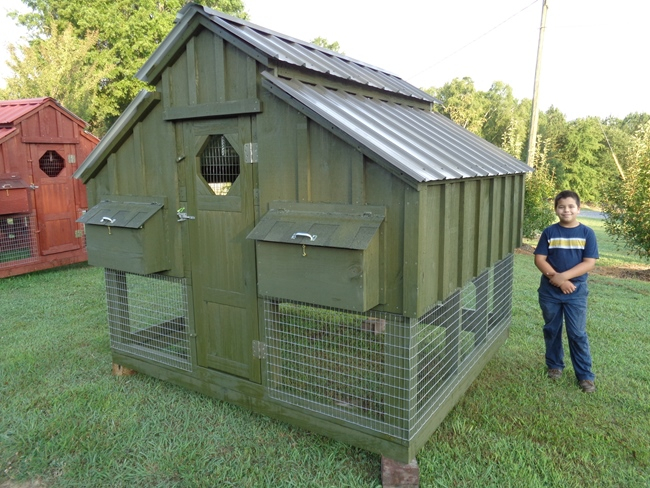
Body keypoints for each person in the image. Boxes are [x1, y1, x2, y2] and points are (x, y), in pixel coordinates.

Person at [533, 190, 599, 393]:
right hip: (550, 291)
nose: (566, 210)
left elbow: (589, 263)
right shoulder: (549, 232)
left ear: (579, 209)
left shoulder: (587, 233)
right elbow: (539, 259)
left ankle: (585, 376)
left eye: (571, 206)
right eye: (561, 206)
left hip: (576, 292)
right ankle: (554, 366)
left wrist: (565, 278)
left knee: (577, 333)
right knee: (551, 329)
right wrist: (558, 279)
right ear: (556, 209)